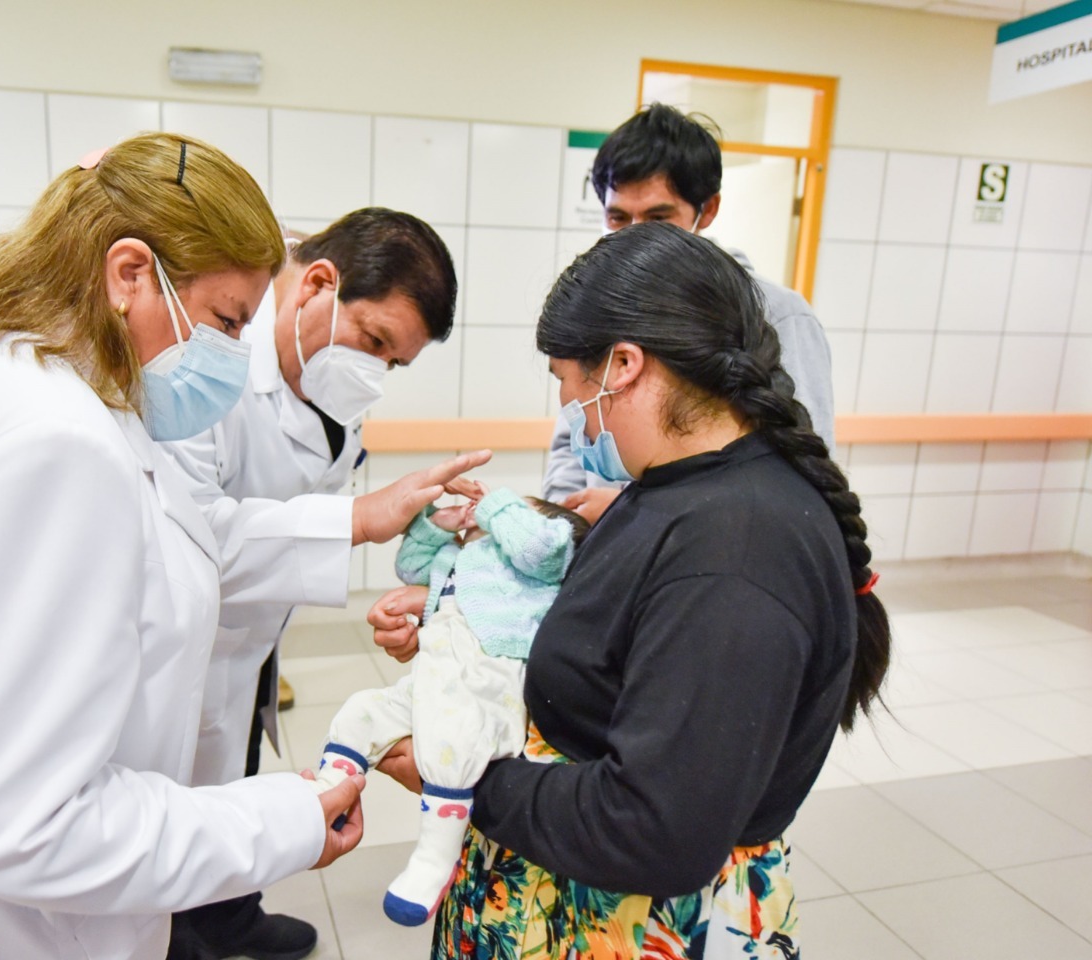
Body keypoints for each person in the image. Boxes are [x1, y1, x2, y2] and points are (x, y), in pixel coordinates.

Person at [0, 131, 488, 960]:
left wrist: (366, 519)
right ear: (129, 273)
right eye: (225, 320)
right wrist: (278, 821)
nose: (232, 355)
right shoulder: (47, 442)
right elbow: (21, 824)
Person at [371, 223, 890, 958]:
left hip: (628, 922)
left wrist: (459, 779)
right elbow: (624, 629)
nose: (571, 417)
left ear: (623, 365)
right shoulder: (674, 486)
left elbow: (655, 829)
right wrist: (465, 607)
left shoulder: (736, 555)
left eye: (568, 389)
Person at [160, 207, 459, 960]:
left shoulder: (329, 384)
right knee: (177, 803)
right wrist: (357, 520)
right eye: (376, 342)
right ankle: (183, 935)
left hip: (250, 634)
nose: (376, 372)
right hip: (182, 639)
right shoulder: (206, 364)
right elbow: (193, 534)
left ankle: (231, 917)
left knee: (238, 763)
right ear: (320, 282)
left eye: (395, 362)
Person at [543, 103, 835, 523]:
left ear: (708, 210)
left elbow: (804, 469)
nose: (636, 236)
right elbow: (575, 435)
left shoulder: (779, 315)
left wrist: (629, 513)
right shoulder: (601, 308)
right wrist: (563, 523)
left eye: (659, 218)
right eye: (618, 217)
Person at [312, 487, 588, 926]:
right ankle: (327, 793)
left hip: (485, 682)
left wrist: (499, 504)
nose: (493, 515)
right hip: (434, 673)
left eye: (519, 509)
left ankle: (433, 860)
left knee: (450, 746)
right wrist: (438, 524)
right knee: (361, 711)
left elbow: (544, 548)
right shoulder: (465, 555)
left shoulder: (535, 568)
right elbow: (411, 566)